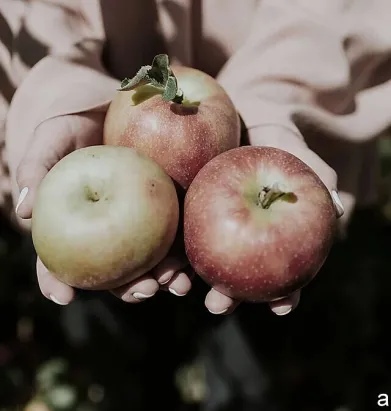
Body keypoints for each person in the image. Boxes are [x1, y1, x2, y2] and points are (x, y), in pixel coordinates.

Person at [2, 0, 389, 318]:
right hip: (101, 207)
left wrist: (272, 99)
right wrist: (66, 89)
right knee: (101, 329)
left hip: (272, 131)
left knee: (251, 357)